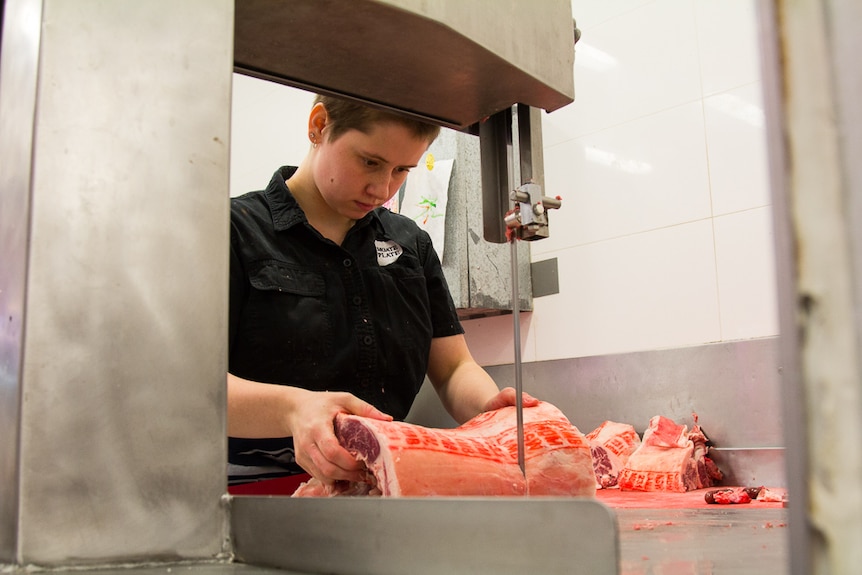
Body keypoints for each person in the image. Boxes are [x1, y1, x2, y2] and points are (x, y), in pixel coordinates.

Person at [227, 94, 536, 493]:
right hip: (249, 497)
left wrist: (488, 410)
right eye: (369, 162)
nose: (382, 187)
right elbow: (192, 387)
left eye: (402, 170)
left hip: (385, 486)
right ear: (319, 125)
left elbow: (453, 368)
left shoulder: (411, 243)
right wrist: (294, 409)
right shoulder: (236, 231)